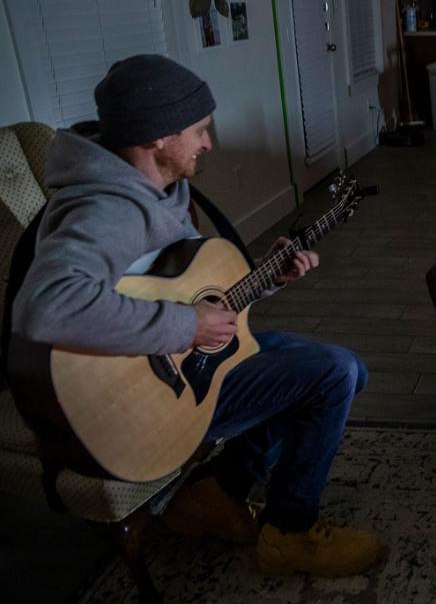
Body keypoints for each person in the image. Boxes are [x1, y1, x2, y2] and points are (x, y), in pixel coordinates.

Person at [8, 55, 383, 577]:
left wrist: (267, 279)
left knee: (348, 371)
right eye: (199, 130)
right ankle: (290, 534)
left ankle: (219, 490)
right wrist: (188, 326)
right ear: (157, 137)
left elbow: (184, 286)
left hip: (180, 368)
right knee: (333, 373)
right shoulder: (108, 208)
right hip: (139, 406)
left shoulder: (159, 189)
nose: (209, 143)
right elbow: (48, 307)